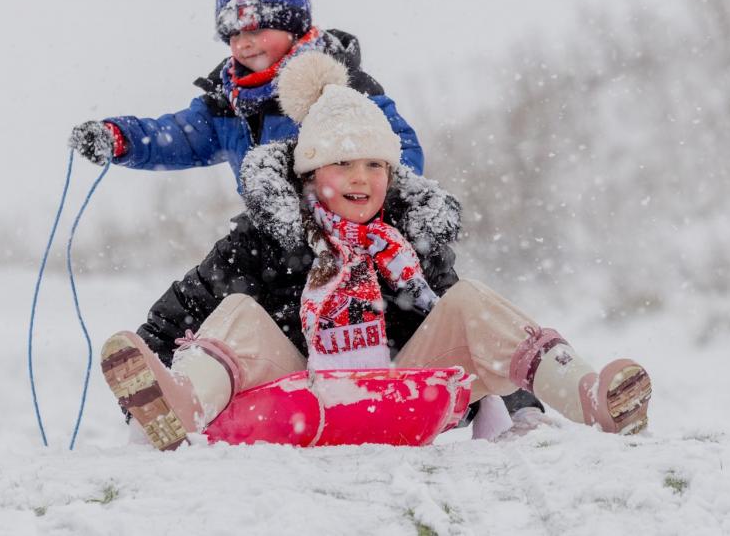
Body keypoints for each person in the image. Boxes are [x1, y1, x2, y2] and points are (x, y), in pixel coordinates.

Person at [99, 52, 653, 450]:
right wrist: (142, 392)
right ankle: (183, 406)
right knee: (237, 315)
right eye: (342, 164)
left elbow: (478, 335)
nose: (360, 179)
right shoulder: (265, 238)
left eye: (374, 165)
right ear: (310, 174)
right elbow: (177, 314)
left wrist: (520, 410)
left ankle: (589, 398)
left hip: (402, 385)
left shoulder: (413, 239)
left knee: (470, 300)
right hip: (297, 385)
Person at [66, 0, 424, 188]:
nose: (243, 43)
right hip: (271, 246)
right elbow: (176, 136)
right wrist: (119, 137)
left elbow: (400, 147)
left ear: (294, 28)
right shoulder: (228, 105)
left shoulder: (341, 90)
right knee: (210, 284)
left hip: (354, 234)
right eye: (233, 34)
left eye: (256, 29)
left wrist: (379, 197)